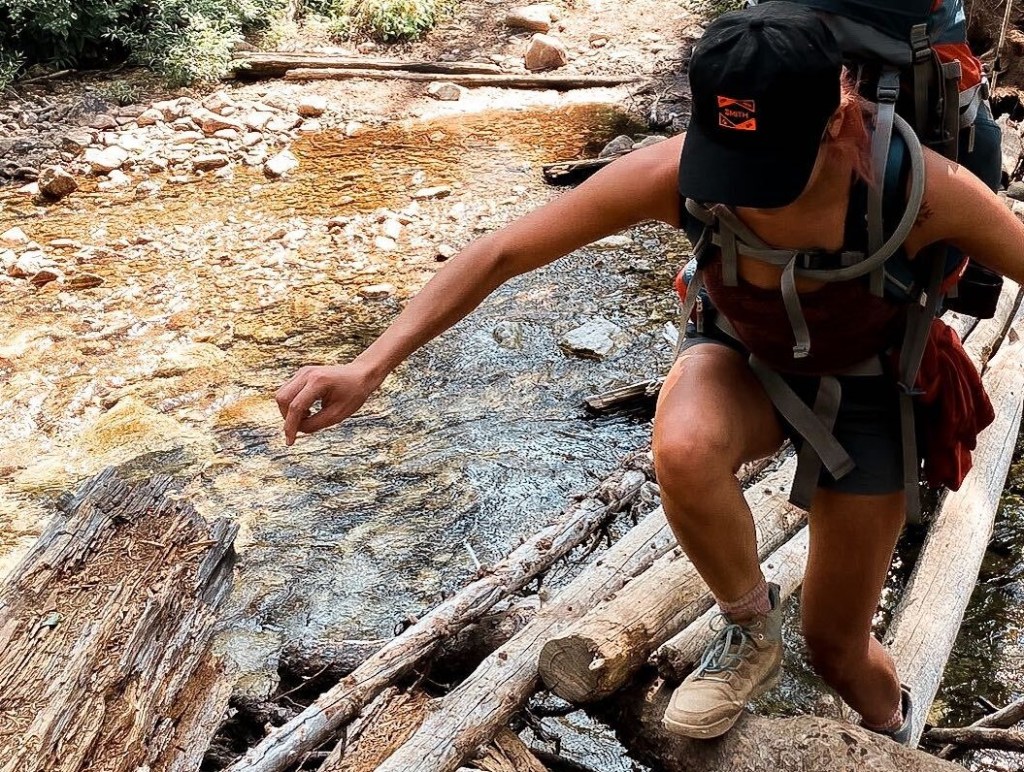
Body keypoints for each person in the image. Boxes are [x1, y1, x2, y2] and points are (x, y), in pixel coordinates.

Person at [276, 1, 1024, 745]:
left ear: (837, 118)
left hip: (869, 384)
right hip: (743, 360)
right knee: (684, 446)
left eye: (764, 172)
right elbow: (503, 252)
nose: (735, 192)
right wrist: (368, 366)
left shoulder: (919, 189)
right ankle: (749, 630)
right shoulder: (677, 173)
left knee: (835, 648)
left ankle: (895, 736)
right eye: (729, 165)